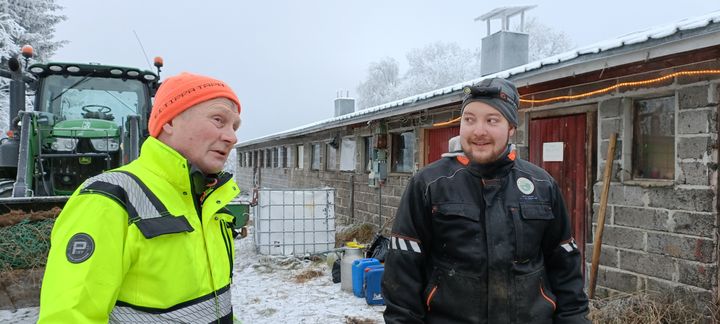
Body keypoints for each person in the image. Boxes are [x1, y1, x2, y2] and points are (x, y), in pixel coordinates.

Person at [38, 72, 243, 323]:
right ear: (169, 121)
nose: (232, 137)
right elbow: (69, 317)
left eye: (234, 126)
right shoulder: (107, 199)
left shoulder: (210, 203)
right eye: (218, 120)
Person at [382, 77, 589, 323]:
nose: (479, 131)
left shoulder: (542, 185)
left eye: (492, 120)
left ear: (511, 127)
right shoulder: (429, 184)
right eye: (469, 119)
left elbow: (565, 270)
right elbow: (402, 277)